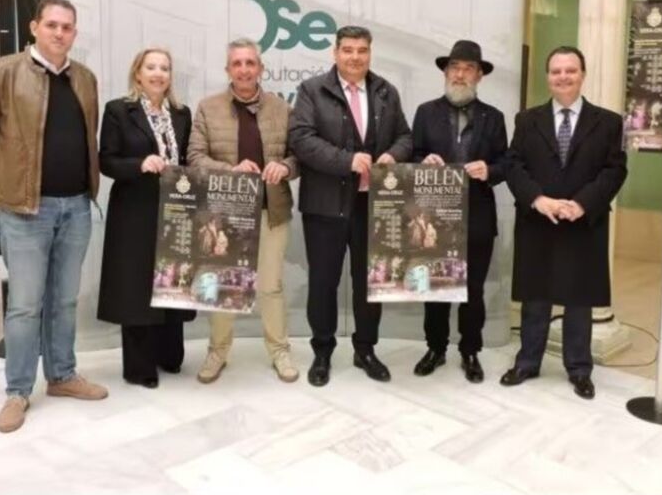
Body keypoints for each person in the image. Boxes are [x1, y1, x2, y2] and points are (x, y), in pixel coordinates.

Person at [0, 0, 107, 433]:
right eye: (52, 25)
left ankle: (61, 375)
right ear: (34, 27)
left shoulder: (85, 79)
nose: (60, 33)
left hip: (75, 206)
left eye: (67, 27)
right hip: (25, 211)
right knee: (25, 306)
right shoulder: (0, 73)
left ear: (74, 33)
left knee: (64, 300)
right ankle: (17, 391)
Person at [500, 45, 628, 400]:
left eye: (570, 70)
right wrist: (538, 199)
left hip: (584, 223)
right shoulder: (527, 120)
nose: (563, 77)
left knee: (579, 299)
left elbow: (615, 169)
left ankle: (579, 369)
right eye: (556, 71)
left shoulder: (608, 122)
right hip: (538, 220)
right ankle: (527, 362)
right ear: (548, 77)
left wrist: (583, 203)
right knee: (535, 297)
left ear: (582, 75)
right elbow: (513, 165)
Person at [289, 25, 412, 387]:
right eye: (348, 50)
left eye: (362, 50)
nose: (355, 57)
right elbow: (301, 139)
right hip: (324, 205)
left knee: (371, 283)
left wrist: (393, 154)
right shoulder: (312, 90)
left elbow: (406, 136)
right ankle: (322, 352)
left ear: (370, 53)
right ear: (335, 53)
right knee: (323, 283)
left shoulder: (386, 91)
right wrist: (347, 161)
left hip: (373, 206)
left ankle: (365, 350)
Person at [188, 37, 300, 384]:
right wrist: (230, 171)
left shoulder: (282, 109)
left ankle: (279, 350)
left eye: (250, 63)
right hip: (224, 215)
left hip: (271, 211)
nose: (244, 69)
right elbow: (194, 158)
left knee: (270, 287)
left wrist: (285, 166)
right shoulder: (208, 108)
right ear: (228, 69)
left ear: (260, 68)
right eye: (237, 63)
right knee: (224, 286)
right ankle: (217, 352)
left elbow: (300, 155)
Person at [411, 40, 508, 383]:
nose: (460, 74)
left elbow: (506, 163)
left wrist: (489, 170)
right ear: (446, 72)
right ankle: (435, 348)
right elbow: (413, 154)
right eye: (455, 67)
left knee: (472, 290)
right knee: (436, 287)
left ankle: (470, 350)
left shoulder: (494, 118)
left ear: (479, 75)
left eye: (468, 68)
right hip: (434, 217)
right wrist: (423, 161)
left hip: (478, 216)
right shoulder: (425, 112)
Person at [97, 47, 194, 389]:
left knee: (171, 279)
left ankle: (169, 355)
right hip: (134, 210)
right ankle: (140, 367)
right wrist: (139, 164)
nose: (158, 73)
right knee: (136, 285)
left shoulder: (182, 114)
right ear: (137, 73)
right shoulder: (118, 111)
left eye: (164, 68)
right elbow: (106, 161)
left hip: (175, 209)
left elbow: (189, 159)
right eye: (151, 67)